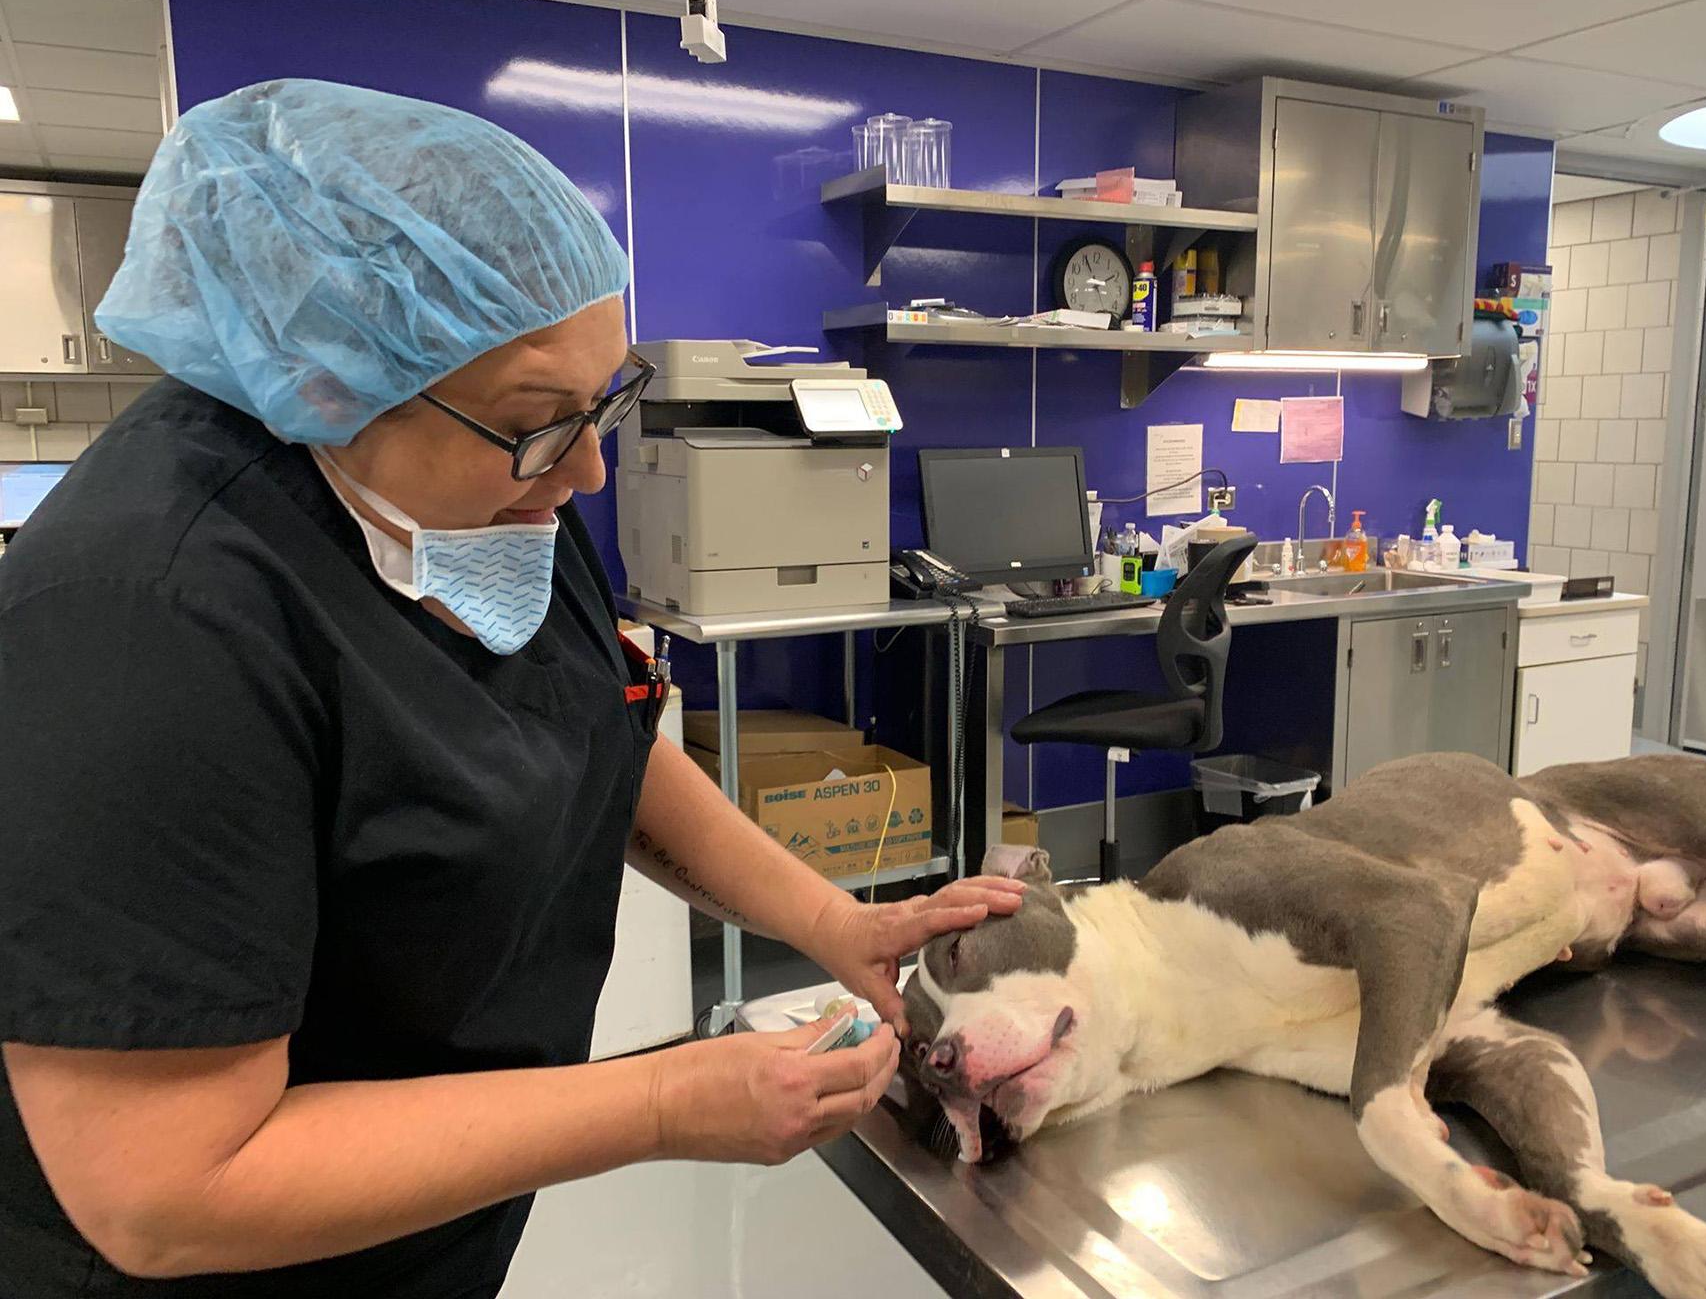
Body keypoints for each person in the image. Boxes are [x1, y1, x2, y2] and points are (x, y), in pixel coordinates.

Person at [0, 79, 1022, 1297]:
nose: (586, 469)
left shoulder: (503, 490)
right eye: (541, 422)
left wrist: (829, 921)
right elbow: (167, 1195)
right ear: (331, 386)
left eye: (601, 404)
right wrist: (655, 1099)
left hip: (429, 1235)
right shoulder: (149, 625)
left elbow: (604, 732)